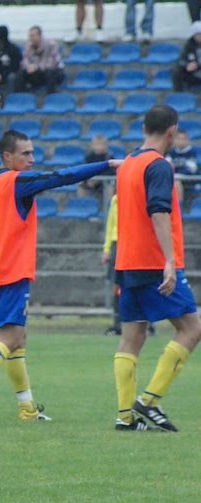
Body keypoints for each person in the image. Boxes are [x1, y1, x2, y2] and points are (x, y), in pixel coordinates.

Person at [0, 130, 120, 421]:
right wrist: (105, 165)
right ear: (8, 156)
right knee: (11, 336)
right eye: (25, 153)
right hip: (11, 273)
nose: (32, 158)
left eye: (32, 153)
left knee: (18, 339)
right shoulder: (17, 181)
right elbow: (61, 176)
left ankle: (26, 408)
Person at [113, 104, 201, 432]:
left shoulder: (128, 163)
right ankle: (149, 401)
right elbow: (159, 211)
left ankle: (125, 416)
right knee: (192, 328)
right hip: (153, 261)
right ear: (171, 132)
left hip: (127, 261)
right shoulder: (159, 165)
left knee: (132, 336)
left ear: (144, 128)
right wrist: (168, 261)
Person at [14, 25, 65, 94]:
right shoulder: (28, 46)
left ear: (39, 35)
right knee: (21, 73)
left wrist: (37, 67)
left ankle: (50, 96)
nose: (31, 38)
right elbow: (24, 59)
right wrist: (28, 66)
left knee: (50, 73)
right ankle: (20, 96)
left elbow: (54, 61)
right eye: (30, 36)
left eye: (33, 36)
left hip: (51, 71)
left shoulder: (50, 44)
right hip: (36, 72)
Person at [102, 193, 121, 336]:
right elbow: (110, 224)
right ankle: (117, 324)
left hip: (134, 242)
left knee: (140, 286)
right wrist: (107, 249)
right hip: (117, 243)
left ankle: (147, 324)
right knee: (116, 286)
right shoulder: (115, 199)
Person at [166, 128, 198, 203]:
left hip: (188, 180)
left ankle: (179, 206)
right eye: (179, 139)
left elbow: (193, 169)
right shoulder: (171, 153)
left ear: (188, 140)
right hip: (173, 179)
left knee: (177, 182)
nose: (181, 141)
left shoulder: (191, 153)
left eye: (183, 139)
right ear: (175, 140)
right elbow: (167, 167)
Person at [79, 134, 114, 201]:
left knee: (110, 185)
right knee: (81, 185)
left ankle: (108, 204)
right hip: (91, 180)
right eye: (96, 145)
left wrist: (98, 179)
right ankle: (82, 203)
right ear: (92, 145)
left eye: (101, 145)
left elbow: (110, 171)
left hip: (104, 181)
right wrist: (90, 179)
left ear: (105, 145)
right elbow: (86, 169)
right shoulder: (89, 157)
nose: (98, 147)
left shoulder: (109, 156)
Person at [172, 22, 201, 92]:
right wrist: (187, 65)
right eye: (197, 34)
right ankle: (178, 93)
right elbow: (182, 60)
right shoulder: (189, 45)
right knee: (176, 71)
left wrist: (198, 65)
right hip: (193, 72)